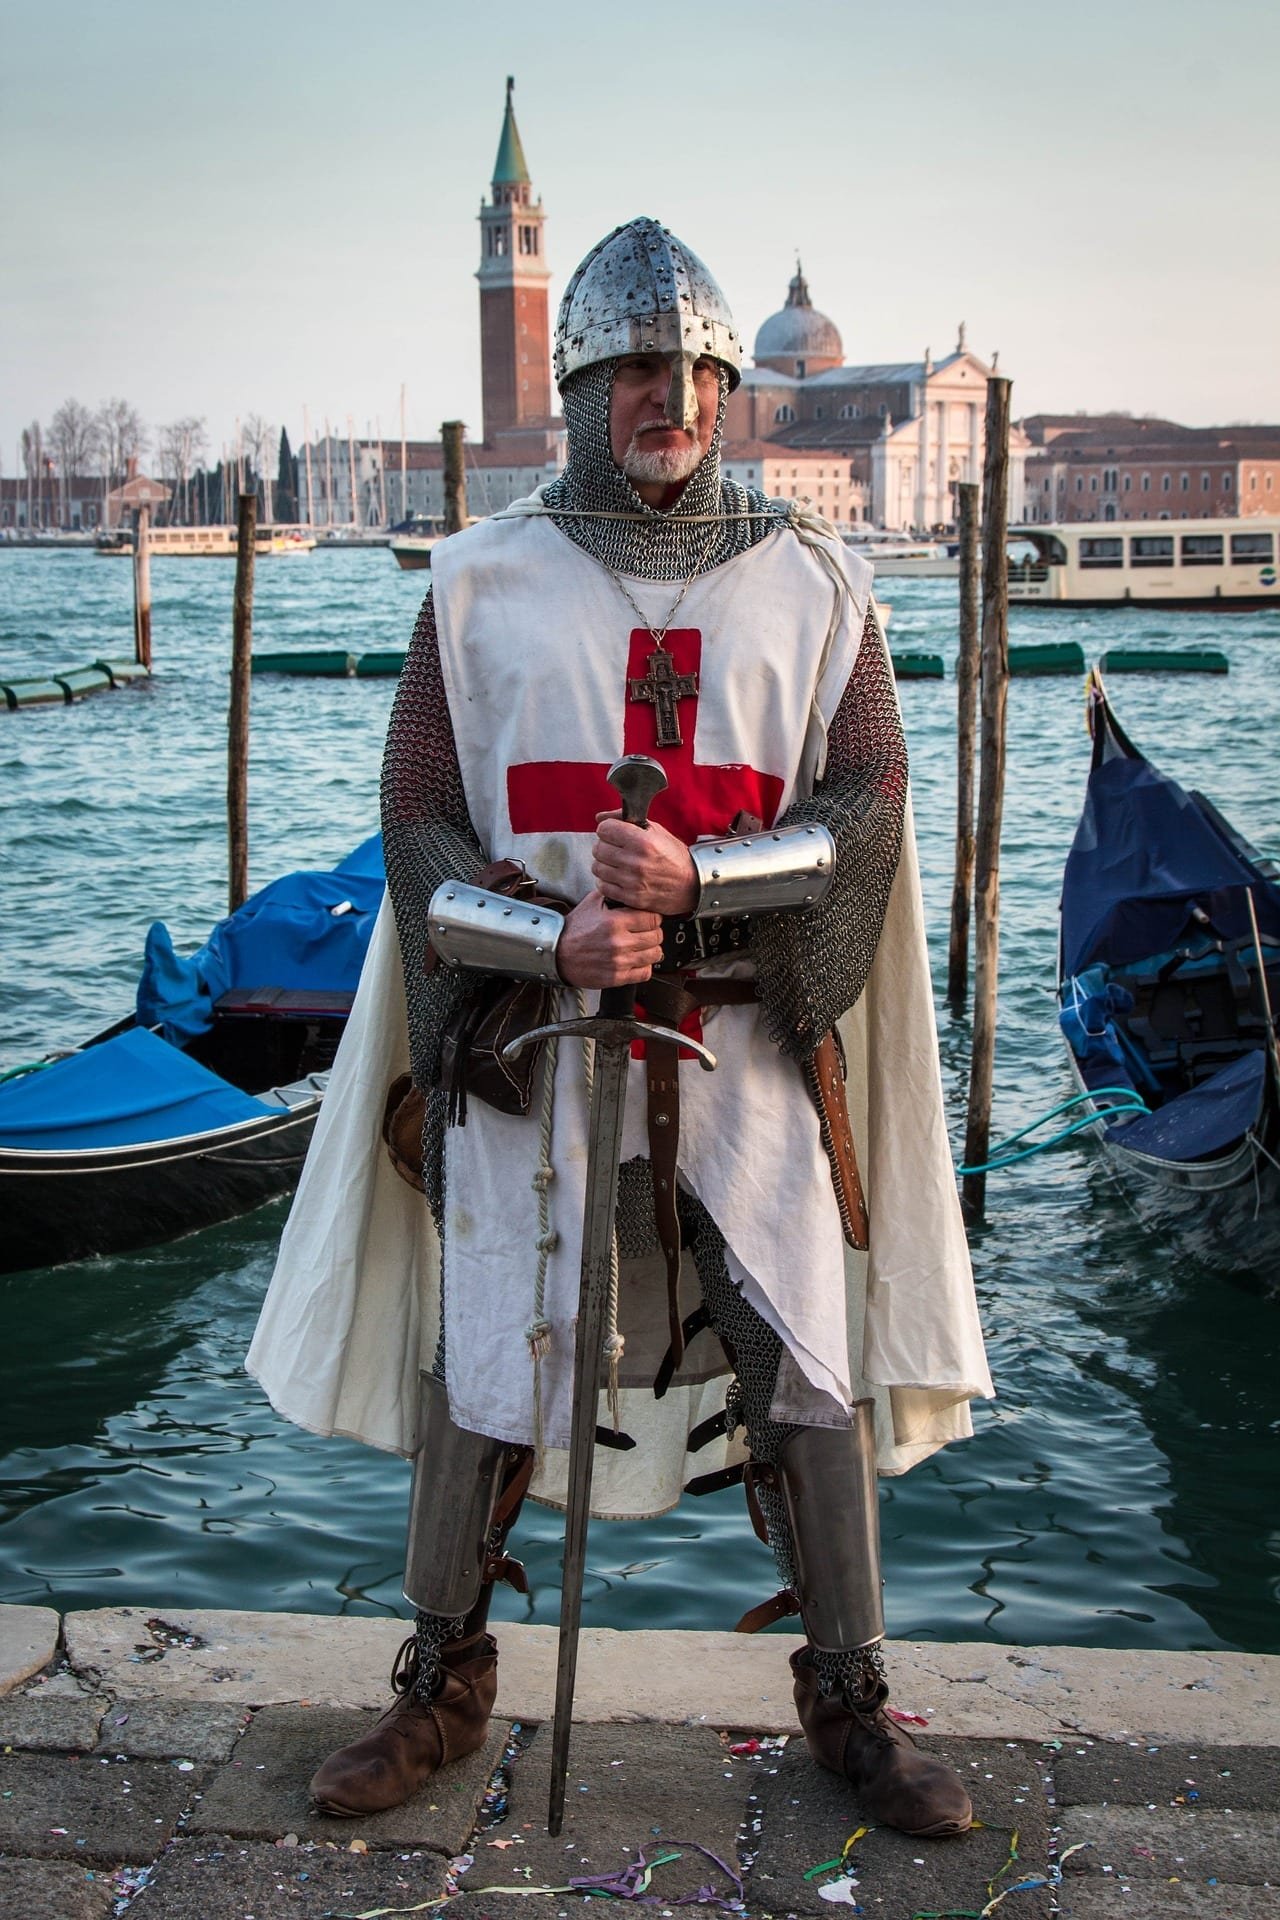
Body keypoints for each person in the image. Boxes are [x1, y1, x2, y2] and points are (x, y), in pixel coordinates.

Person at [248, 217, 992, 1839]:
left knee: (802, 1361)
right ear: (583, 383)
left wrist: (707, 876)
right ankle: (439, 1684)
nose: (676, 393)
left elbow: (868, 807)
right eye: (641, 367)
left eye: (700, 368)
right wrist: (554, 930)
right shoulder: (479, 583)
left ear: (731, 384)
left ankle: (852, 1700)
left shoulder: (817, 583)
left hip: (748, 1043)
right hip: (536, 1035)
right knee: (487, 1361)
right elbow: (421, 834)